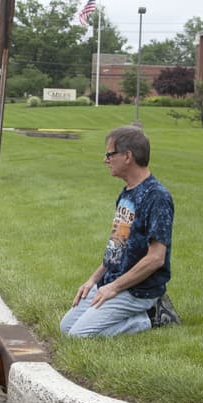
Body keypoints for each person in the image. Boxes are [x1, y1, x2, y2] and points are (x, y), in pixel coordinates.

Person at [60, 125, 179, 338]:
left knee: (79, 335)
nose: (105, 160)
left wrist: (113, 288)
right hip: (114, 281)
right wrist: (93, 281)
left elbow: (156, 259)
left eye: (109, 154)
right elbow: (117, 248)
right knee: (66, 327)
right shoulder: (126, 195)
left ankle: (152, 316)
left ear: (127, 156)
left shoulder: (157, 197)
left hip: (139, 289)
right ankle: (132, 311)